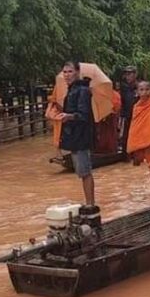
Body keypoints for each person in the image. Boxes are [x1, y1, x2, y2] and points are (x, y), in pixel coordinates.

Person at [58, 61, 95, 205]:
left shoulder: (82, 91)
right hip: (74, 135)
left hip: (81, 136)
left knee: (85, 172)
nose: (67, 75)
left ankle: (90, 204)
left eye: (70, 71)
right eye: (65, 72)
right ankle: (88, 202)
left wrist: (70, 116)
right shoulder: (72, 89)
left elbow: (83, 114)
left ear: (77, 72)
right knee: (81, 172)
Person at [118, 66, 138, 152]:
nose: (128, 76)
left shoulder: (139, 87)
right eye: (126, 74)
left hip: (138, 115)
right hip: (127, 115)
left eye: (129, 74)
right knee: (126, 135)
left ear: (135, 75)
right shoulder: (124, 88)